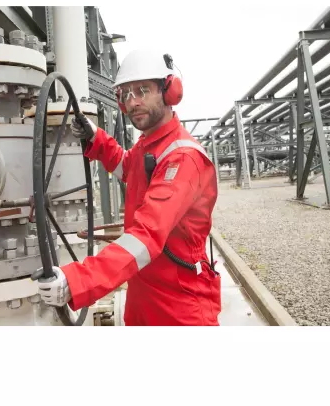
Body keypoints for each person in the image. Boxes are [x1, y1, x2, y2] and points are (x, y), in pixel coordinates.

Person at [37, 49, 221, 326]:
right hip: (143, 291)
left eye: (143, 90)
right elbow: (128, 167)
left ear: (169, 91)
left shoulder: (183, 158)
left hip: (180, 303)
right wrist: (96, 139)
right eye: (125, 94)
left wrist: (77, 280)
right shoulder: (149, 145)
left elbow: (146, 236)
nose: (133, 102)